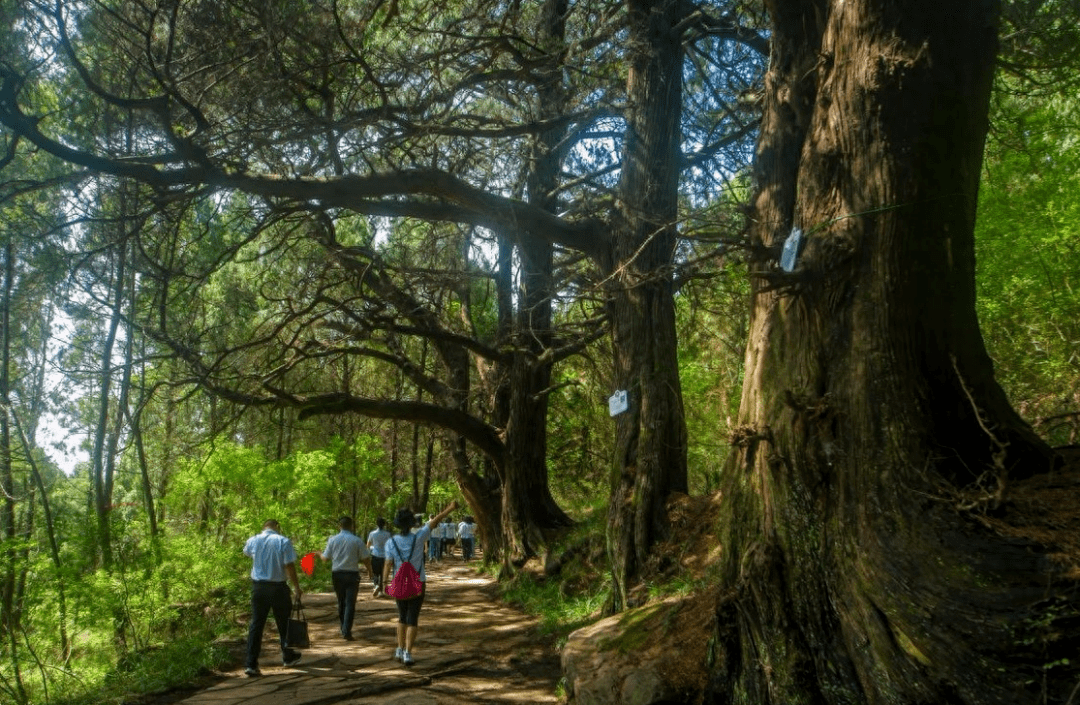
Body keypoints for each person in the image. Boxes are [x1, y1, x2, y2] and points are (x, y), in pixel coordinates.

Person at [383, 501, 458, 666]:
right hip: (418, 582)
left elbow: (388, 563)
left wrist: (383, 583)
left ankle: (399, 648)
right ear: (411, 524)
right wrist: (450, 508)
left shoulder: (390, 542)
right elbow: (435, 521)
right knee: (413, 618)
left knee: (401, 616)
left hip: (399, 582)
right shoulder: (419, 537)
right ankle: (408, 653)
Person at [243, 519, 303, 677]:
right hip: (278, 588)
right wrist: (296, 587)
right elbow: (290, 565)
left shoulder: (253, 540)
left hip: (259, 588)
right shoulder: (283, 541)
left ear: (264, 527)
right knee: (284, 624)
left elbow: (247, 553)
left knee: (256, 625)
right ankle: (287, 656)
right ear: (277, 527)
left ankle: (251, 664)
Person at [320, 516, 372, 640]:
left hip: (337, 574)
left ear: (339, 526)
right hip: (352, 575)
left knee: (341, 601)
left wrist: (318, 554)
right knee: (350, 603)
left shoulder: (332, 540)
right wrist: (371, 572)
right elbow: (366, 558)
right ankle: (346, 630)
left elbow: (325, 558)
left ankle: (343, 626)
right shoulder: (357, 540)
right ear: (352, 526)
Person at [367, 517, 392, 597]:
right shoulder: (388, 534)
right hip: (385, 556)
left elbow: (368, 545)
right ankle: (381, 591)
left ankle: (376, 585)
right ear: (384, 525)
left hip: (375, 555)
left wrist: (368, 553)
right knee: (382, 574)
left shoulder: (372, 534)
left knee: (375, 573)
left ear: (376, 524)